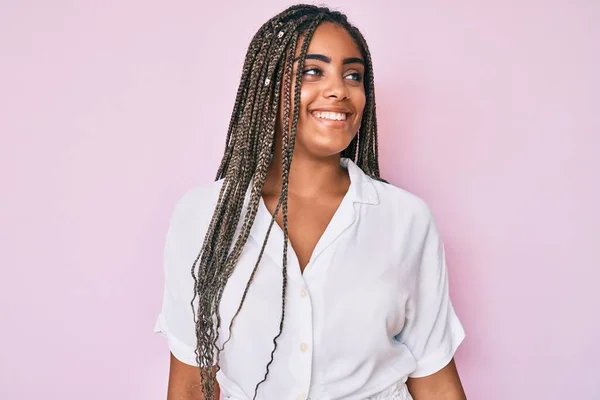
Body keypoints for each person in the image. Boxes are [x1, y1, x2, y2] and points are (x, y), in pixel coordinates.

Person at [154, 4, 466, 400]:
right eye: (312, 71)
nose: (339, 89)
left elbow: (435, 381)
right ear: (266, 86)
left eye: (353, 75)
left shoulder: (406, 220)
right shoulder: (202, 217)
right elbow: (189, 385)